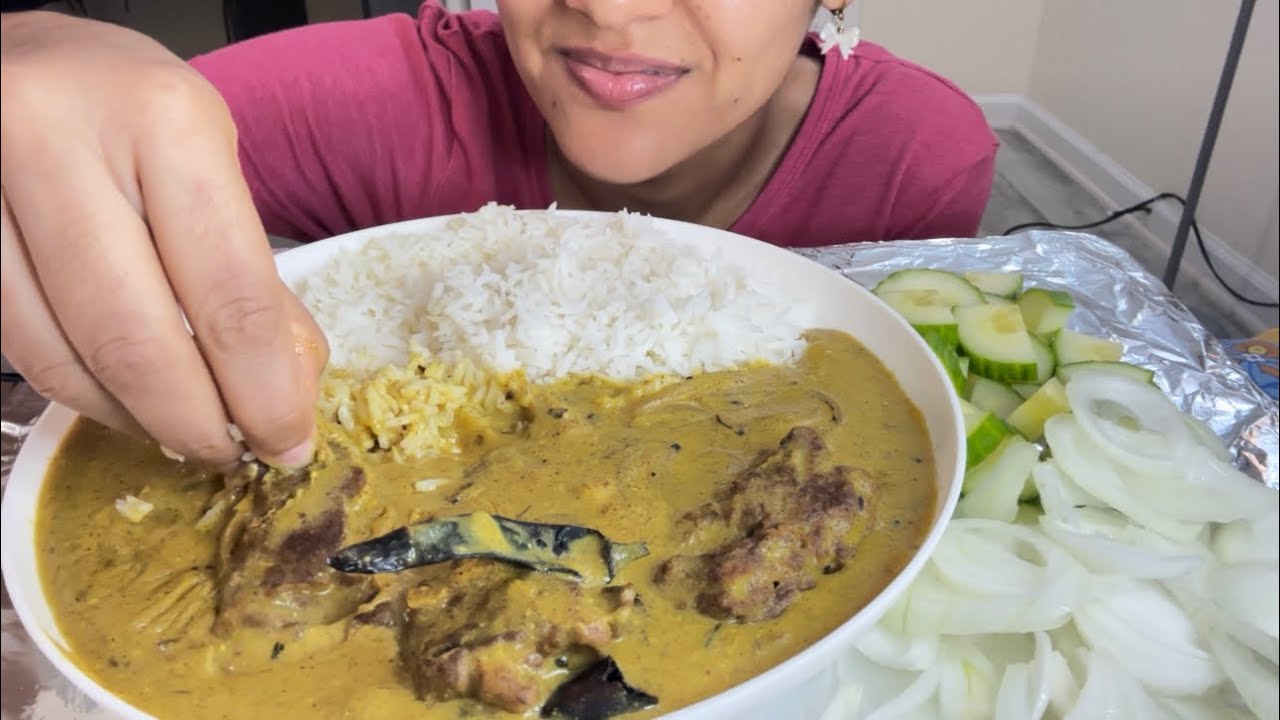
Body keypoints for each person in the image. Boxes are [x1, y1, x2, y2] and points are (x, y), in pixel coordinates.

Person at [0, 0, 997, 470]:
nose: (608, 8)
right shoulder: (382, 99)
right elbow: (91, 125)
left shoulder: (913, 160)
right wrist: (27, 46)